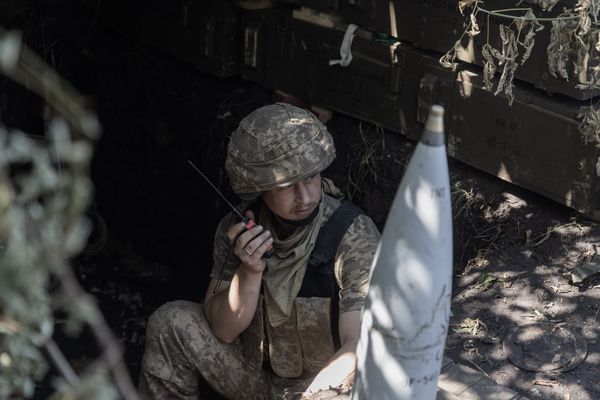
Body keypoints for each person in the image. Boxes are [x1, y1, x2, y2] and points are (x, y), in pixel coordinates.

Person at [138, 103, 380, 399]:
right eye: (286, 186)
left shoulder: (352, 234)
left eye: (311, 178)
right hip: (254, 376)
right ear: (261, 188)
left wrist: (314, 395)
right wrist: (249, 271)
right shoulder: (238, 229)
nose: (304, 197)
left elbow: (357, 345)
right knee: (171, 323)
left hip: (319, 387)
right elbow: (223, 331)